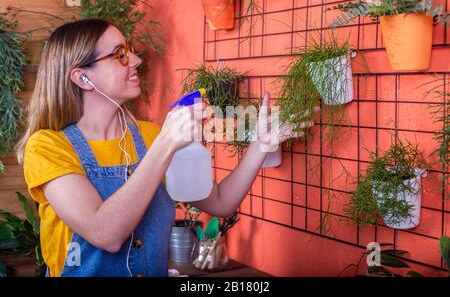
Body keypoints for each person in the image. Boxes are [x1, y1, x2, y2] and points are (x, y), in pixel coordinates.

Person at [15, 18, 314, 277]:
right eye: (120, 55)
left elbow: (221, 202)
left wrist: (260, 145)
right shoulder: (48, 147)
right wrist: (166, 143)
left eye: (129, 49)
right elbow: (104, 233)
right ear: (83, 77)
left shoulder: (149, 135)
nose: (136, 60)